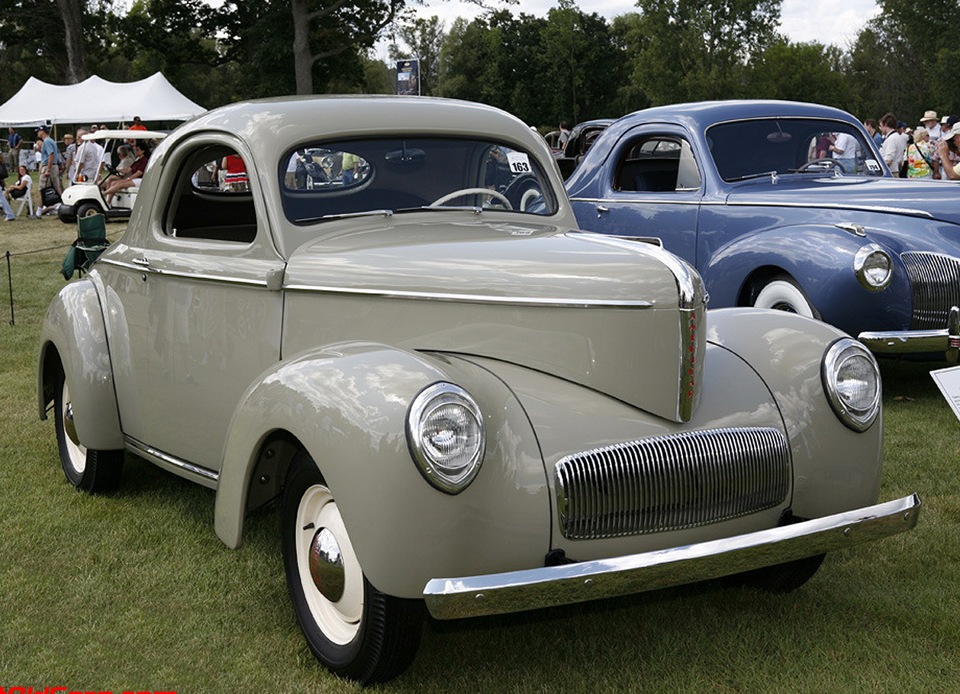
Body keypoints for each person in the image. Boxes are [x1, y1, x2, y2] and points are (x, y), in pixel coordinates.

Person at [35, 125, 62, 217]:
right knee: (57, 188)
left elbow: (51, 155)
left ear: (43, 131)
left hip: (48, 167)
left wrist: (48, 169)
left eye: (38, 131)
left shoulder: (46, 141)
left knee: (42, 189)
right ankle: (61, 206)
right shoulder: (51, 141)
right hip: (53, 166)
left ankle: (39, 212)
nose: (38, 133)